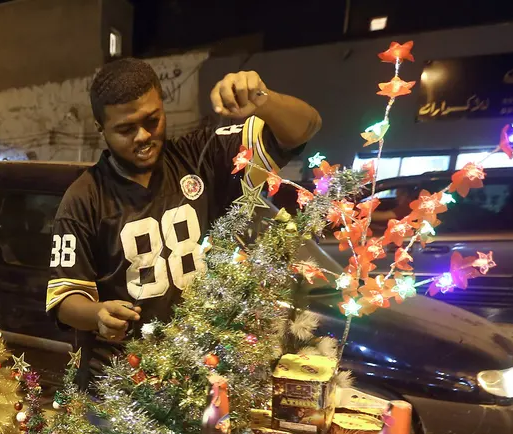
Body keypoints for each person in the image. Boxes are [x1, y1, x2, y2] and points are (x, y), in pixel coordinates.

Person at [45, 60, 322, 386]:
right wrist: (98, 314)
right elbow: (64, 298)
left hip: (201, 372)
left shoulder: (202, 155)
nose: (143, 136)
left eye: (153, 120)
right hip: (119, 387)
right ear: (100, 128)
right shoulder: (83, 198)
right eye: (125, 129)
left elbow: (306, 127)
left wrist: (263, 98)